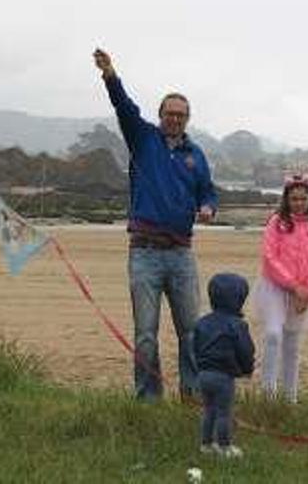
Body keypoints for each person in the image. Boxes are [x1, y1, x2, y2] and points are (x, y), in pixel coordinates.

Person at [93, 48, 218, 400]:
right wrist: (110, 74)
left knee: (191, 331)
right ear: (160, 115)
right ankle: (148, 398)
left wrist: (209, 208)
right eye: (170, 113)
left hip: (181, 254)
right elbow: (123, 106)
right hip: (144, 254)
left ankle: (191, 395)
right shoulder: (143, 138)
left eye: (181, 115)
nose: (175, 119)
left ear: (188, 118)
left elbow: (208, 192)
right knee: (145, 334)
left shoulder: (196, 155)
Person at [253, 173, 308, 403]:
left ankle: (290, 398)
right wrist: (292, 284)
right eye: (294, 199)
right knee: (274, 334)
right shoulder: (277, 223)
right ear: (286, 199)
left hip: (303, 293)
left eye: (303, 199)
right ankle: (268, 394)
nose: (298, 203)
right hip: (275, 287)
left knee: (293, 345)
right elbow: (269, 257)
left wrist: (307, 291)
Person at [193, 273, 255, 458]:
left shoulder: (201, 323)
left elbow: (194, 347)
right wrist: (246, 369)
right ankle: (224, 446)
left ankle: (206, 444)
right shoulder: (238, 325)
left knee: (208, 409)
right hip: (223, 377)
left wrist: (200, 368)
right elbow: (245, 350)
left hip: (203, 375)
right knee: (223, 412)